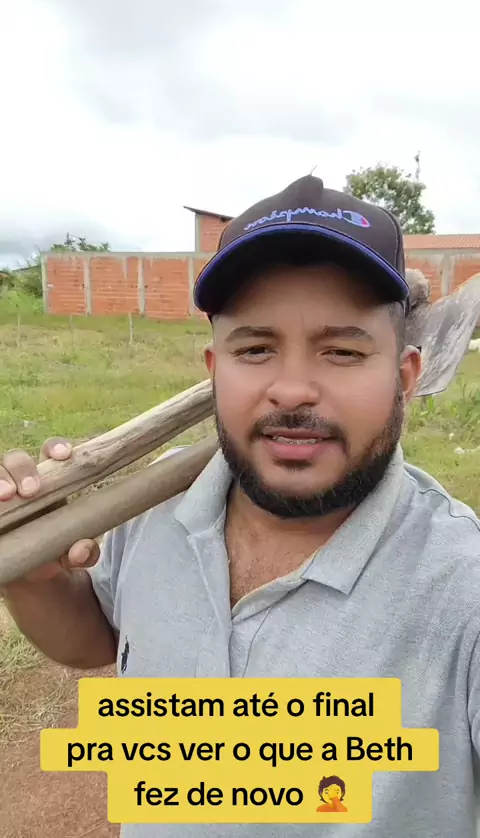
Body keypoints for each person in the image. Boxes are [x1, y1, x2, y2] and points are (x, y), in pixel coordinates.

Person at [1, 174, 479, 837]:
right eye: (255, 349)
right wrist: (36, 579)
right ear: (214, 369)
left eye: (342, 351)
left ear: (404, 378)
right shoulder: (154, 504)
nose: (292, 389)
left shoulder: (462, 586)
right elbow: (101, 638)